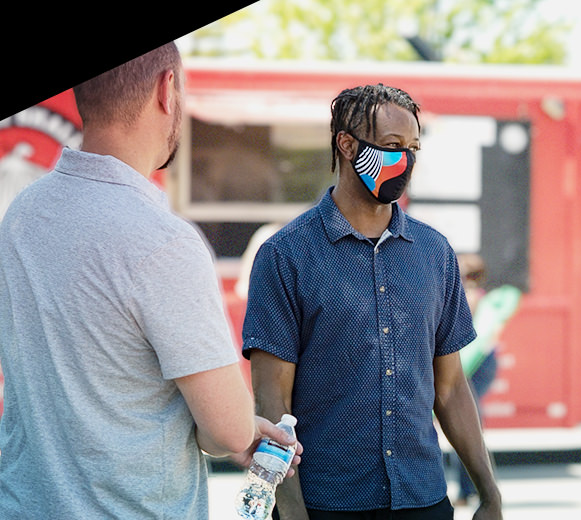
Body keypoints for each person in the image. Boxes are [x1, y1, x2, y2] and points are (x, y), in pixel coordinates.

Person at [0, 43, 300, 519]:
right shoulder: (165, 243)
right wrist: (241, 429)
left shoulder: (21, 216)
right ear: (167, 89)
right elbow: (226, 432)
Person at [242, 83, 503, 520]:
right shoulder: (284, 255)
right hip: (330, 505)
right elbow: (272, 400)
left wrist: (489, 492)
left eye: (413, 147)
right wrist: (290, 513)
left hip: (424, 501)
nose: (406, 160)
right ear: (347, 145)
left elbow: (452, 388)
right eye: (391, 146)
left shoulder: (435, 253)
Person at [450, 254, 520, 507]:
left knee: (466, 426)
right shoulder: (482, 299)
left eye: (464, 274)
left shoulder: (473, 298)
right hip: (476, 367)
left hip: (473, 369)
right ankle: (473, 490)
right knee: (467, 426)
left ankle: (474, 490)